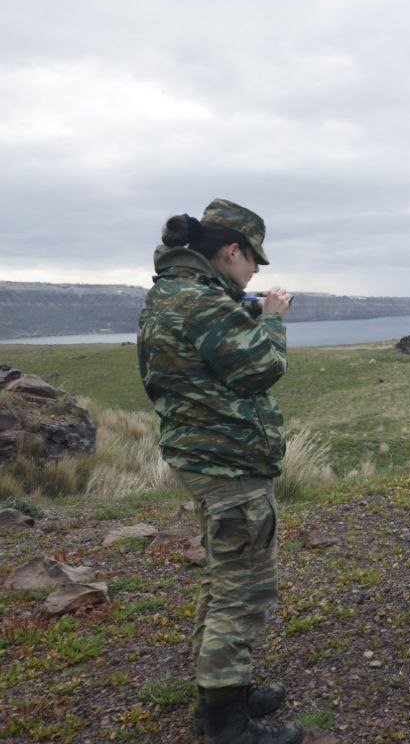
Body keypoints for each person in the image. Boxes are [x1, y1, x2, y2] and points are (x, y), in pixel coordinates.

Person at [136, 199, 303, 744]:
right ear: (232, 251)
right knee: (243, 587)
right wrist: (273, 322)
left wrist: (244, 311)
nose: (255, 271)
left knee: (224, 576)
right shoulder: (203, 303)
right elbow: (260, 370)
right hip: (228, 462)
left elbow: (203, 360)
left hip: (201, 456)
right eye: (253, 259)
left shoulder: (172, 294)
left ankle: (221, 692)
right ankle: (227, 727)